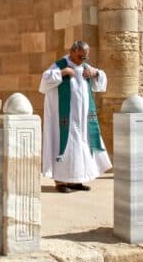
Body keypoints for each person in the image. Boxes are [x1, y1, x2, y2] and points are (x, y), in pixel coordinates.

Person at [38, 41, 111, 192]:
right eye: (80, 56)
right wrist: (62, 73)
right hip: (65, 119)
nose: (83, 60)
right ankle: (61, 182)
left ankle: (77, 180)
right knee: (66, 147)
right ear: (72, 52)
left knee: (80, 147)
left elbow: (100, 82)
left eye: (85, 57)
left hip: (83, 119)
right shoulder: (60, 65)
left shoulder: (85, 67)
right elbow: (44, 82)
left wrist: (96, 73)